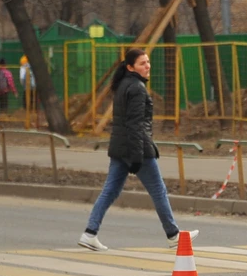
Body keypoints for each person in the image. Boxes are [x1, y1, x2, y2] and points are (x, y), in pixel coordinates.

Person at [79, 48, 196, 252]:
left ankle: (89, 233)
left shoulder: (124, 85)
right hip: (136, 148)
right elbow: (135, 125)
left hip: (120, 148)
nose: (147, 66)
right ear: (130, 67)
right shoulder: (137, 88)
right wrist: (136, 156)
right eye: (142, 63)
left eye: (148, 62)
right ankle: (173, 235)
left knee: (110, 191)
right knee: (158, 190)